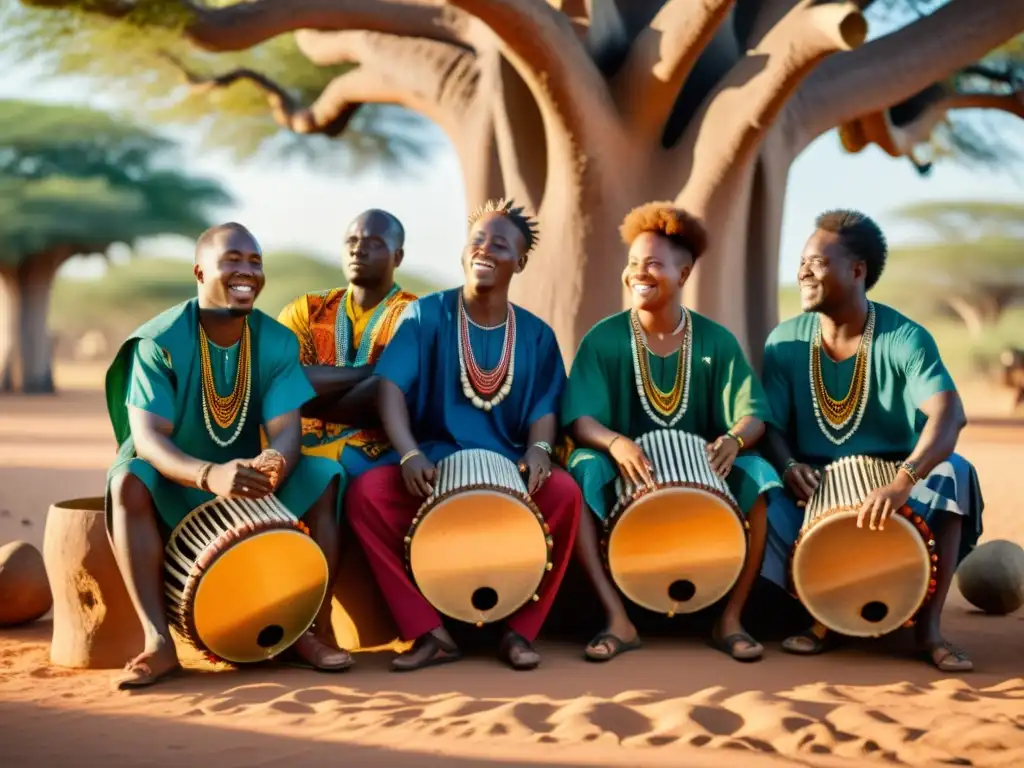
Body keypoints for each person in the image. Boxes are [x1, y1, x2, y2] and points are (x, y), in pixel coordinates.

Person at [103, 223, 352, 689]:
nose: (247, 271)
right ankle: (158, 642)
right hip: (176, 482)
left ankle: (310, 630)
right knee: (127, 479)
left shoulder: (275, 342)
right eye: (233, 260)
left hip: (250, 482)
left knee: (325, 475)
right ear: (200, 272)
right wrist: (209, 475)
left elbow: (285, 433)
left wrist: (272, 468)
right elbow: (149, 438)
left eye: (255, 262)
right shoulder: (159, 343)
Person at [345, 198, 582, 672]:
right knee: (367, 494)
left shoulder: (535, 334)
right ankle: (429, 632)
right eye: (477, 239)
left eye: (500, 243)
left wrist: (539, 448)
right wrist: (409, 453)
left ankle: (519, 631)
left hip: (508, 467)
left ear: (521, 260)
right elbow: (390, 387)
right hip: (432, 463)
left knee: (564, 493)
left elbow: (544, 405)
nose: (485, 249)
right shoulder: (427, 315)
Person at [760, 209, 983, 672]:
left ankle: (929, 629)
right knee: (754, 483)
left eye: (817, 262)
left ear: (857, 271)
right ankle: (817, 617)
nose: (803, 271)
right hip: (814, 490)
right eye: (801, 261)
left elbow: (949, 413)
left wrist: (904, 481)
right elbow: (772, 425)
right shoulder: (784, 342)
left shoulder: (903, 337)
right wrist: (785, 467)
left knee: (953, 474)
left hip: (895, 489)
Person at [560, 202, 782, 664]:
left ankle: (730, 619)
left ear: (683, 274)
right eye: (633, 264)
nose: (640, 273)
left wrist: (733, 440)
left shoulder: (715, 340)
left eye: (654, 265)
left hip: (705, 474)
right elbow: (581, 420)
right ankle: (616, 617)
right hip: (625, 474)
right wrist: (615, 442)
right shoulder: (604, 339)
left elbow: (752, 413)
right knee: (581, 469)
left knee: (758, 475)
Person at [277, 209, 417, 477]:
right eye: (351, 241)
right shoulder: (305, 310)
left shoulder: (414, 317)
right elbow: (280, 383)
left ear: (397, 256)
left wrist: (306, 399)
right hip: (299, 444)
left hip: (375, 449)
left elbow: (387, 398)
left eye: (374, 243)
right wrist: (372, 372)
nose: (358, 250)